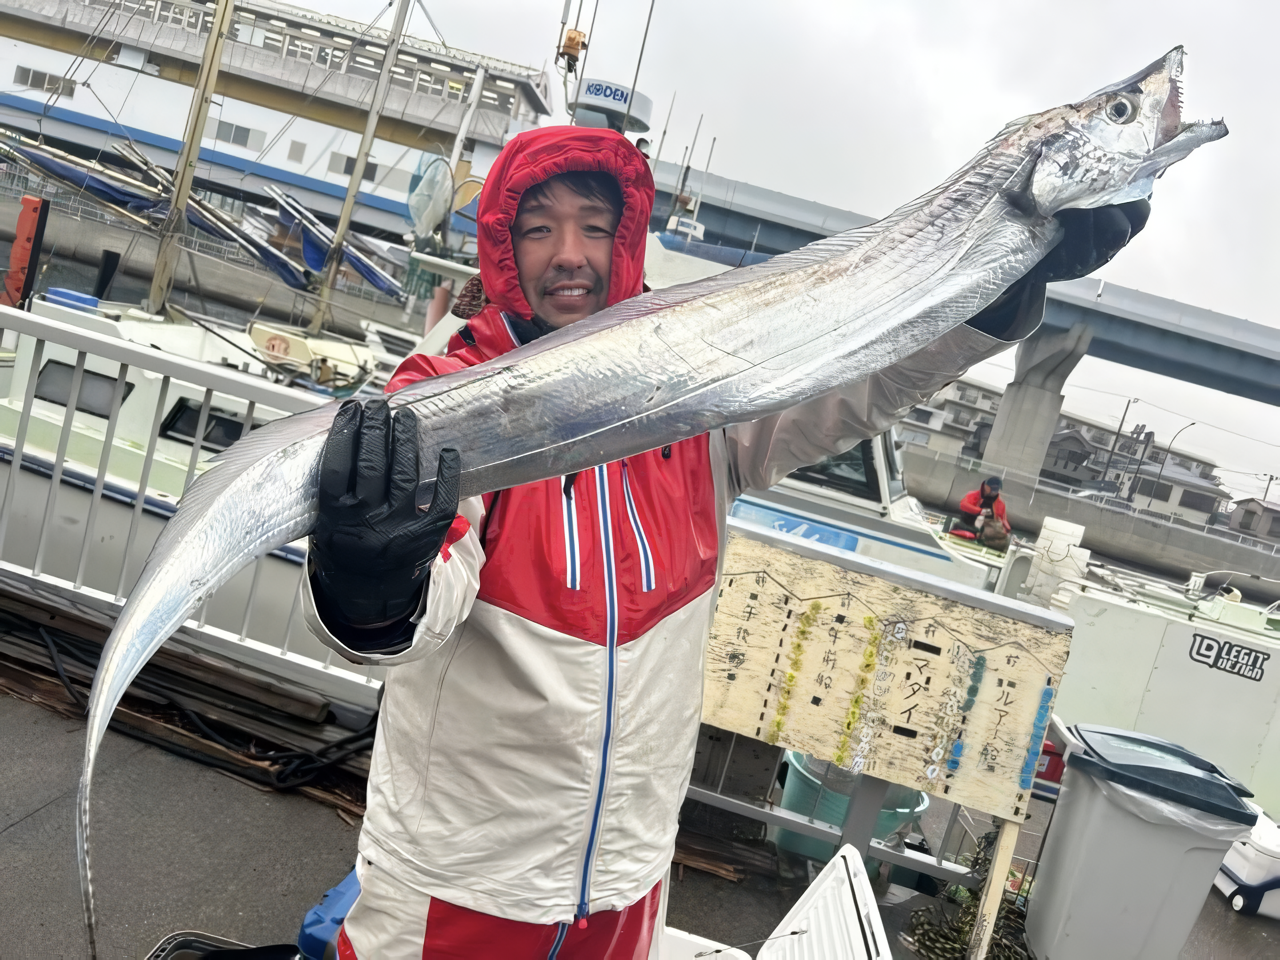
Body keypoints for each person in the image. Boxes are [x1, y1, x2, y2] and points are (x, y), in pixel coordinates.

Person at [302, 125, 1147, 959]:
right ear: (501, 243)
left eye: (595, 227)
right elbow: (406, 618)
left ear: (627, 239)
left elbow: (866, 380)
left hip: (626, 883)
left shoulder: (689, 391)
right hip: (460, 883)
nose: (569, 253)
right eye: (538, 227)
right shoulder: (446, 392)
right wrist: (368, 574)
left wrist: (1001, 280)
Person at [956, 476, 1012, 549]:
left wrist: (1007, 529)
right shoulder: (973, 495)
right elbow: (963, 505)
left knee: (1002, 538)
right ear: (986, 487)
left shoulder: (1001, 504)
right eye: (993, 488)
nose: (995, 491)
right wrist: (980, 511)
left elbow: (1003, 519)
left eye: (997, 489)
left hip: (988, 530)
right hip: (969, 524)